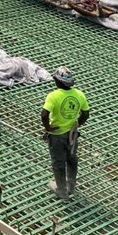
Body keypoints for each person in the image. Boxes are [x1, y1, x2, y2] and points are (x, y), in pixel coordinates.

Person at [42, 67, 90, 199]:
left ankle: (62, 191)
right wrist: (77, 124)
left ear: (58, 81)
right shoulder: (79, 95)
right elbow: (86, 113)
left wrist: (48, 128)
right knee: (72, 159)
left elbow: (44, 114)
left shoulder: (53, 96)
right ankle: (71, 187)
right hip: (72, 135)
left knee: (58, 162)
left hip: (57, 136)